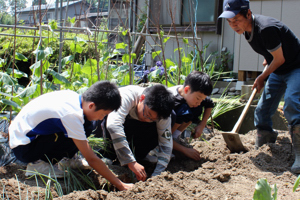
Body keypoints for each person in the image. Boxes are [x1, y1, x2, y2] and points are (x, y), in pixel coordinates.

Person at [219, 0, 300, 173]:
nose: (234, 26)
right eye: (230, 22)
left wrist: (262, 77)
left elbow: (280, 59)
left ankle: (299, 153)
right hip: (279, 68)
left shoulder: (265, 28)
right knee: (262, 110)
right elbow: (271, 53)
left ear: (248, 14)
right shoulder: (247, 30)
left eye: (237, 20)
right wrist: (267, 57)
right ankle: (266, 139)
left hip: (295, 66)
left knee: (292, 103)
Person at [8, 81, 133, 191]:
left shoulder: (76, 99)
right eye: (104, 114)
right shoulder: (71, 114)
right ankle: (38, 165)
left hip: (30, 137)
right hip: (24, 147)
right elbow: (92, 159)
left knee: (87, 125)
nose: (102, 118)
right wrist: (119, 184)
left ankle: (67, 159)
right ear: (91, 105)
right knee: (77, 129)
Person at [98, 84, 174, 182]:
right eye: (147, 114)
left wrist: (156, 176)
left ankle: (139, 156)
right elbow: (113, 125)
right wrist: (130, 161)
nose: (147, 119)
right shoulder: (126, 96)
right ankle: (108, 154)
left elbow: (166, 144)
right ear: (142, 98)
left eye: (152, 119)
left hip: (135, 132)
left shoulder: (163, 115)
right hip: (113, 126)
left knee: (173, 117)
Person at [168, 71, 213, 161]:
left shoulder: (196, 94)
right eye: (198, 99)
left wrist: (202, 125)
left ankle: (175, 137)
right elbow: (163, 136)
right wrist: (185, 150)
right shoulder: (171, 100)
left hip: (169, 132)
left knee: (196, 108)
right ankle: (166, 145)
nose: (199, 102)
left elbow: (209, 104)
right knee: (184, 110)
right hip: (159, 133)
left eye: (202, 99)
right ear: (186, 90)